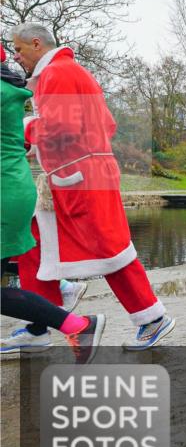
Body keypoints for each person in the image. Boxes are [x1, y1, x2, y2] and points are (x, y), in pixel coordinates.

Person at [4, 23, 174, 351]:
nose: (16, 56)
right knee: (33, 237)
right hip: (81, 172)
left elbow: (61, 127)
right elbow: (106, 124)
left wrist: (27, 130)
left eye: (19, 50)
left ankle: (151, 317)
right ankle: (43, 318)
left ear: (36, 44)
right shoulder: (70, 72)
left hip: (79, 177)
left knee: (110, 250)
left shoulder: (57, 74)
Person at [1, 42, 105, 363]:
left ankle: (75, 324)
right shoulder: (8, 89)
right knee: (19, 264)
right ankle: (64, 310)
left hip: (5, 193)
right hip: (12, 189)